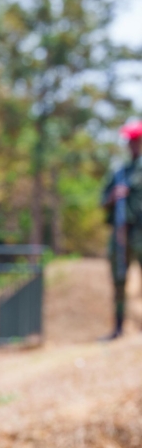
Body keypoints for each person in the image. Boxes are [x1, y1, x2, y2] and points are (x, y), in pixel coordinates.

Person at [101, 120, 142, 339]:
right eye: (131, 142)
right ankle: (118, 327)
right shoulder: (119, 173)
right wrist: (113, 196)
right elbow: (102, 201)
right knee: (118, 281)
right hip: (121, 235)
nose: (134, 145)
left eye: (137, 141)